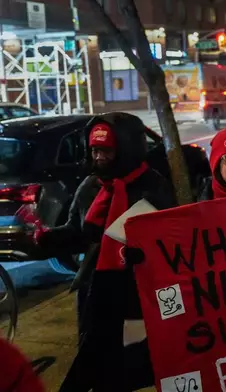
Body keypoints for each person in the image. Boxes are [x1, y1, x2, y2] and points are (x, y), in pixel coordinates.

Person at [58, 115, 177, 392]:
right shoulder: (91, 187)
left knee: (131, 363)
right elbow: (77, 232)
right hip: (95, 289)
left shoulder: (154, 186)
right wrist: (45, 237)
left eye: (106, 151)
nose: (98, 157)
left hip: (136, 293)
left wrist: (144, 251)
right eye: (94, 150)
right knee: (95, 357)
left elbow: (171, 238)